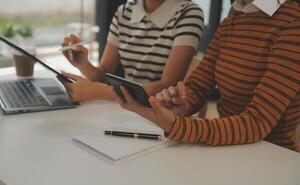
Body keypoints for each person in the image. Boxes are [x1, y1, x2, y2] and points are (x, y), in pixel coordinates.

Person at [115, 0, 300, 152]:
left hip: (273, 156)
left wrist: (180, 127)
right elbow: (198, 86)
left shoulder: (293, 24)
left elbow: (258, 122)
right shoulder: (236, 15)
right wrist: (182, 103)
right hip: (226, 149)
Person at [59, 0, 204, 102]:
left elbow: (166, 86)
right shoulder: (124, 12)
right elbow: (103, 74)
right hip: (124, 106)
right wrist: (83, 64)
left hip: (161, 112)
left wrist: (98, 91)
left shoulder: (189, 14)